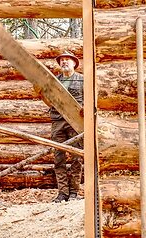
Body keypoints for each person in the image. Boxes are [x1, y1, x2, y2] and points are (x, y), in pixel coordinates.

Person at [51, 51, 84, 203]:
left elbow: (90, 99)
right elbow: (46, 96)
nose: (64, 62)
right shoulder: (54, 81)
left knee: (77, 157)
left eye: (67, 60)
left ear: (74, 63)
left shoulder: (82, 80)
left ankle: (74, 193)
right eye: (62, 60)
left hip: (76, 122)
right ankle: (62, 193)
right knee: (59, 158)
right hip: (58, 121)